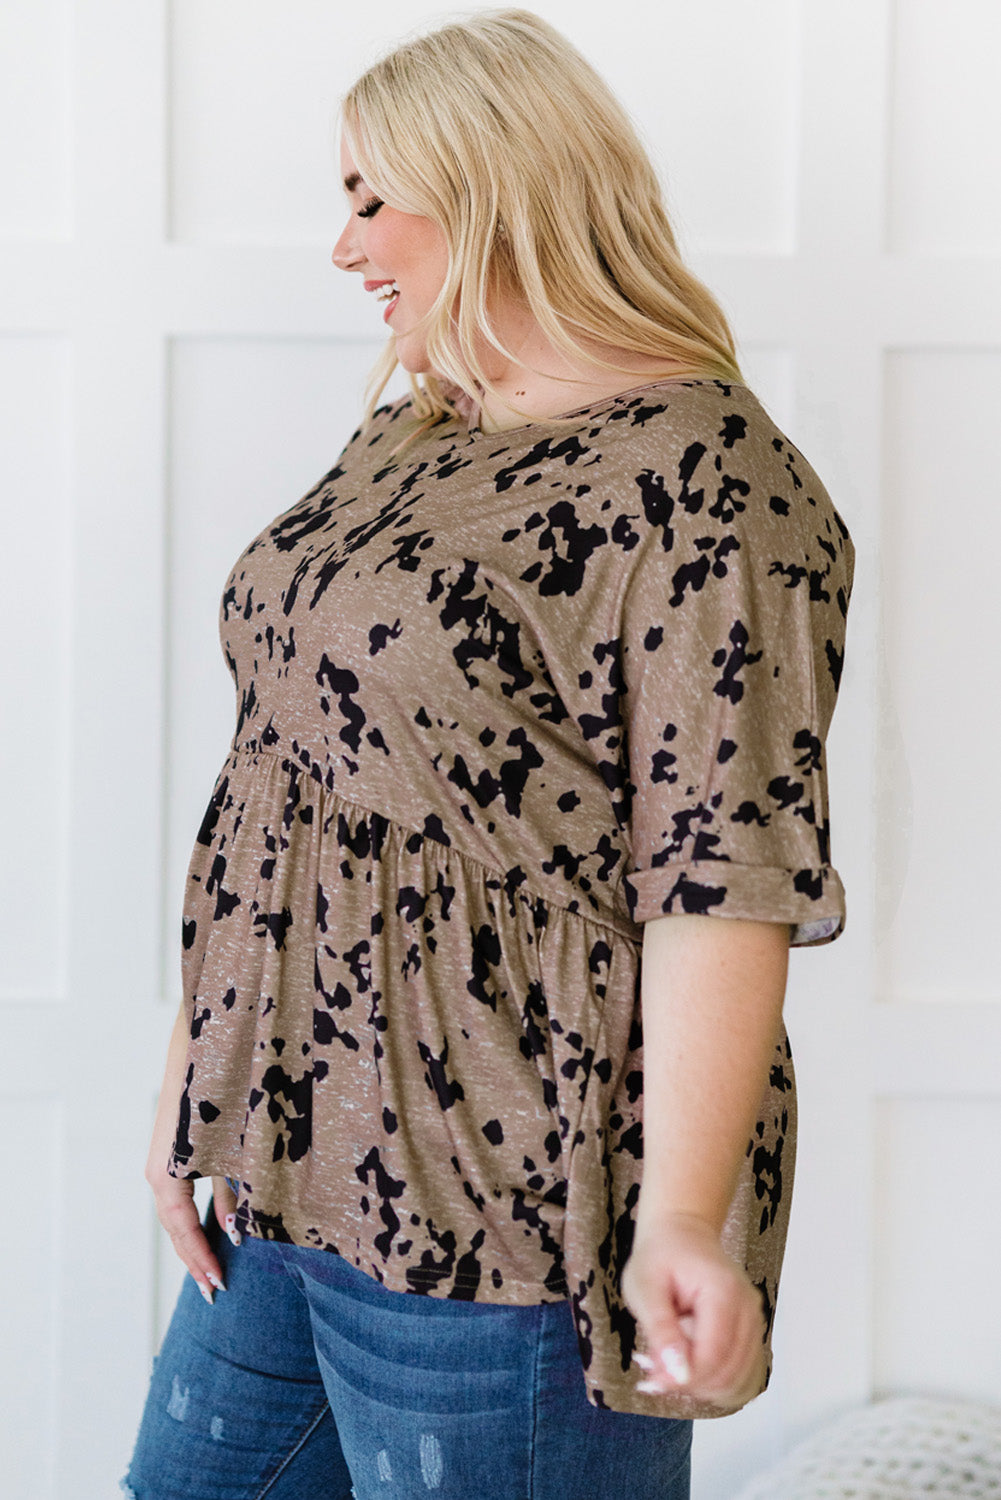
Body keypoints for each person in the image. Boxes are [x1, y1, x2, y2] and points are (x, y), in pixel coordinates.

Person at [124, 10, 853, 1499]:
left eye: (368, 198)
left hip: (499, 1202)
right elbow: (285, 777)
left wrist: (681, 1224)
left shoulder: (710, 485)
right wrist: (193, 1085)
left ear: (498, 188)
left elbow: (723, 877)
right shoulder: (420, 427)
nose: (345, 248)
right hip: (284, 1168)